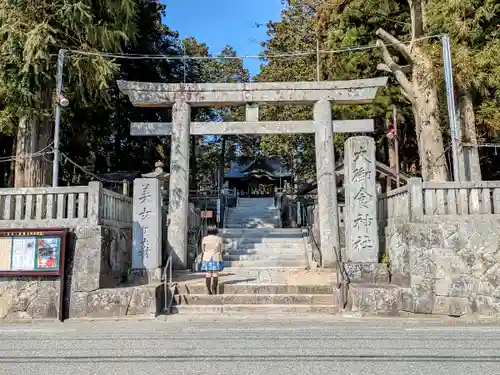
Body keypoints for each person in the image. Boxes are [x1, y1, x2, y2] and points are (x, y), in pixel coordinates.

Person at [200, 225, 224, 295]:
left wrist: (206, 253)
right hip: (216, 257)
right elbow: (221, 249)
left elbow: (202, 249)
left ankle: (208, 290)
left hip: (207, 257)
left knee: (208, 274)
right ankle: (214, 290)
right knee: (215, 274)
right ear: (216, 230)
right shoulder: (219, 239)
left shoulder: (204, 239)